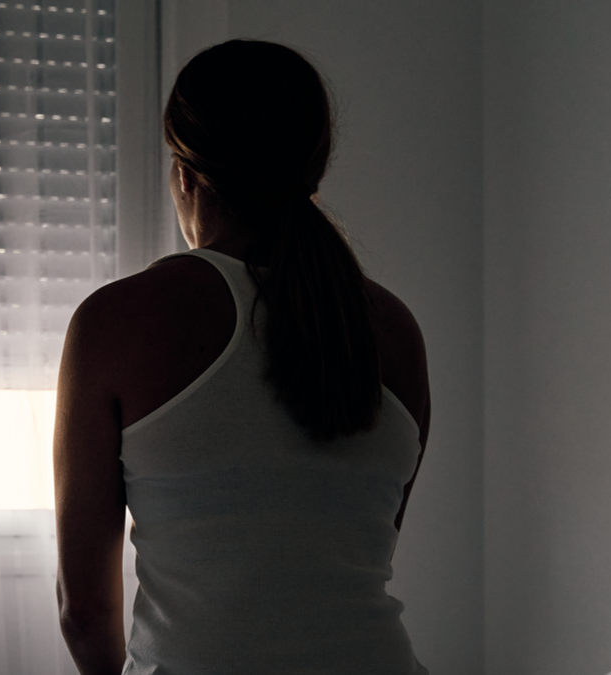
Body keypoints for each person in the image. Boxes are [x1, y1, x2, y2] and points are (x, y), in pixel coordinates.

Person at [52, 39, 432, 675]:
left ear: (184, 173)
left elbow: (84, 608)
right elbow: (354, 548)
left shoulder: (116, 322)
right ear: (315, 164)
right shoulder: (393, 328)